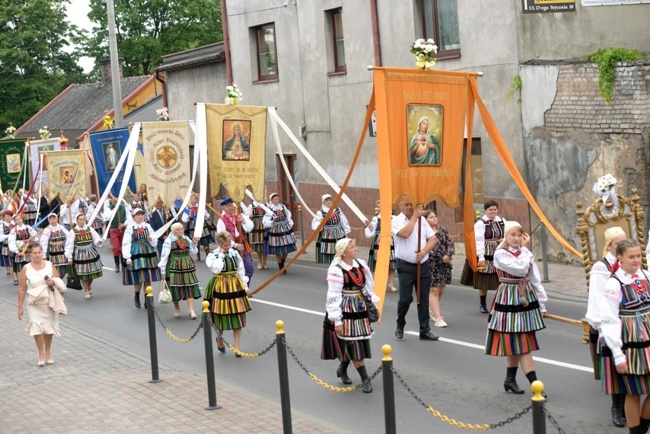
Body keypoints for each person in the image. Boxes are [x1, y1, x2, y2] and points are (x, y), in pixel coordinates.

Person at [486, 221, 547, 395]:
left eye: (519, 235)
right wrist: (526, 250)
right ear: (506, 235)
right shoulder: (500, 254)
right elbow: (520, 269)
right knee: (522, 342)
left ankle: (509, 380)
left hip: (525, 297)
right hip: (508, 298)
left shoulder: (524, 253)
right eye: (512, 234)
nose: (516, 238)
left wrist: (542, 303)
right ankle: (535, 384)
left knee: (517, 340)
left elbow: (534, 278)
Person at [321, 238, 378, 393]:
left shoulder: (360, 264)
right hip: (346, 308)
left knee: (356, 341)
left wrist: (373, 306)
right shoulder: (336, 269)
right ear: (344, 252)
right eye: (352, 247)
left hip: (360, 306)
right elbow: (333, 296)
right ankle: (365, 378)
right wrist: (337, 321)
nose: (356, 249)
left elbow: (369, 287)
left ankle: (342, 369)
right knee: (353, 343)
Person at [585, 227, 627, 428]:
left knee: (630, 362)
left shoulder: (628, 263)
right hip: (610, 319)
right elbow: (597, 297)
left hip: (628, 319)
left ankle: (628, 404)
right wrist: (600, 326)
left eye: (624, 242)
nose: (621, 246)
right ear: (609, 246)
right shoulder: (601, 268)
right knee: (616, 365)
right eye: (617, 243)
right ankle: (616, 407)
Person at [391, 199, 439, 341]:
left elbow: (433, 238)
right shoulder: (396, 220)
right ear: (400, 206)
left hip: (422, 265)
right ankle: (400, 324)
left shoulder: (422, 221)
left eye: (411, 204)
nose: (409, 206)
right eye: (406, 204)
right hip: (405, 266)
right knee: (405, 299)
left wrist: (424, 252)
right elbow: (404, 234)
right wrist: (414, 217)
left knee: (423, 299)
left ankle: (424, 330)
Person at [17, 242, 67, 367]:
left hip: (48, 301)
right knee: (37, 328)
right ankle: (40, 353)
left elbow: (58, 279)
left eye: (39, 252)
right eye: (34, 253)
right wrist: (20, 307)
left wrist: (52, 281)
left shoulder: (49, 265)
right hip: (34, 303)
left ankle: (48, 353)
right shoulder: (26, 269)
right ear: (30, 254)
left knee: (49, 328)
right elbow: (22, 289)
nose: (37, 255)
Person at [205, 231, 252, 355]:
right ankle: (219, 337)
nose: (228, 247)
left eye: (228, 244)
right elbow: (217, 269)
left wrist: (245, 286)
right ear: (220, 244)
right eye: (225, 245)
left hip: (235, 285)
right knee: (221, 315)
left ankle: (236, 345)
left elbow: (241, 270)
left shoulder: (234, 253)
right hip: (221, 286)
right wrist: (221, 255)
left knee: (238, 314)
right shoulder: (212, 255)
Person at [462, 200, 507, 314]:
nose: (493, 211)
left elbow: (508, 233)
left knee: (501, 278)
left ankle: (501, 303)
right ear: (486, 210)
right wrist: (481, 257)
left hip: (500, 251)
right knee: (484, 280)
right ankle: (483, 303)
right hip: (487, 252)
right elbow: (479, 241)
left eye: (495, 209)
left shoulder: (502, 221)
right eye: (490, 209)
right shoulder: (481, 224)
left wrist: (504, 239)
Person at [159, 223, 201, 319]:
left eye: (181, 229)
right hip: (175, 265)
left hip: (187, 265)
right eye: (178, 229)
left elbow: (193, 253)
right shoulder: (169, 241)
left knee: (190, 285)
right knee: (175, 287)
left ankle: (191, 310)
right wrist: (163, 271)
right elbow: (164, 256)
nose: (181, 231)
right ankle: (177, 308)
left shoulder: (186, 239)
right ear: (173, 231)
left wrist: (194, 243)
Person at [122, 208, 161, 309]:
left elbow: (154, 239)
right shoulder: (130, 227)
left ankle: (147, 299)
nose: (140, 217)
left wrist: (151, 239)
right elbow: (126, 242)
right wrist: (127, 257)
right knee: (139, 278)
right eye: (138, 215)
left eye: (142, 215)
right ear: (134, 217)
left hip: (148, 252)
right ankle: (137, 296)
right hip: (136, 252)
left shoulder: (147, 226)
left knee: (148, 277)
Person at [424, 210, 454, 328]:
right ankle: (438, 318)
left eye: (435, 216)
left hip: (444, 264)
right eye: (431, 217)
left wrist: (448, 255)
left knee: (441, 289)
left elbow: (450, 244)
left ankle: (432, 309)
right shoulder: (424, 232)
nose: (434, 218)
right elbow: (424, 247)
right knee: (434, 290)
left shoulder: (442, 230)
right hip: (431, 264)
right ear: (425, 220)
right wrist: (439, 256)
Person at [65, 213, 103, 299]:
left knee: (92, 272)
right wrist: (69, 257)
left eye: (83, 220)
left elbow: (96, 238)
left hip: (90, 252)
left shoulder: (90, 229)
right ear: (77, 221)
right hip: (79, 253)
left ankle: (89, 285)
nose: (82, 221)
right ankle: (86, 290)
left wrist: (98, 242)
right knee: (82, 273)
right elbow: (69, 245)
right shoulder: (73, 231)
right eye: (80, 220)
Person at [217, 197, 254, 284]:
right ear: (224, 208)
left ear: (234, 206)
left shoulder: (241, 215)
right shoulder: (221, 221)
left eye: (230, 205)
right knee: (234, 269)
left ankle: (246, 288)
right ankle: (237, 289)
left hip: (243, 244)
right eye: (227, 206)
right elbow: (221, 237)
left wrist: (243, 221)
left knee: (248, 268)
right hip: (230, 247)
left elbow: (249, 228)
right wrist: (235, 245)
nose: (229, 208)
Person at [364, 200, 397, 292]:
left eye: (380, 206)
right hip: (379, 241)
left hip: (390, 241)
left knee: (391, 263)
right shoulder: (376, 218)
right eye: (378, 206)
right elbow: (370, 234)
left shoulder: (394, 218)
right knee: (378, 262)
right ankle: (378, 283)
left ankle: (390, 284)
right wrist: (370, 228)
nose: (378, 208)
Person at [312, 194, 351, 264]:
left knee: (340, 250)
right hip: (327, 235)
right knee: (330, 251)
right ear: (324, 202)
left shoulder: (337, 210)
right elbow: (314, 225)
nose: (329, 202)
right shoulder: (320, 212)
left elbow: (343, 221)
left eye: (330, 200)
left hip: (339, 233)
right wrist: (321, 223)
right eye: (327, 201)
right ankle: (332, 267)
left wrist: (346, 232)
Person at [263, 193, 296, 274]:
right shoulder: (269, 210)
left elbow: (288, 216)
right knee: (277, 249)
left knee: (287, 247)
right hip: (275, 230)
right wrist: (272, 221)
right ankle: (281, 266)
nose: (277, 200)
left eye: (278, 198)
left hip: (285, 228)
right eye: (275, 199)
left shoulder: (283, 207)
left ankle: (282, 261)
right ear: (271, 200)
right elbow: (265, 222)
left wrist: (290, 224)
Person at [182, 194, 214, 261]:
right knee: (195, 241)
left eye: (193, 199)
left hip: (201, 225)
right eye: (190, 199)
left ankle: (208, 255)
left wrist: (202, 214)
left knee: (205, 241)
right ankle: (198, 256)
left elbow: (207, 216)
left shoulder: (200, 207)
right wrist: (189, 216)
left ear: (196, 200)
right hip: (192, 226)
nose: (191, 201)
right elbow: (184, 219)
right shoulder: (188, 208)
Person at [39, 213, 70, 279]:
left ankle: (59, 280)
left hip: (63, 252)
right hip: (53, 252)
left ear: (57, 219)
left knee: (63, 270)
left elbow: (69, 237)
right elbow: (43, 242)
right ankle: (58, 282)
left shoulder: (62, 228)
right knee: (55, 269)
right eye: (50, 219)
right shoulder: (47, 230)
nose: (52, 220)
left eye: (54, 218)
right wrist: (44, 255)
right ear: (48, 221)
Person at [103, 197, 129, 272]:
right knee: (116, 247)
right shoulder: (108, 208)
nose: (116, 202)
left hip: (123, 229)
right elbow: (108, 217)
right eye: (114, 201)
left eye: (117, 201)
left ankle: (123, 263)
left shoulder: (124, 208)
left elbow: (129, 218)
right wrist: (115, 208)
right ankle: (117, 265)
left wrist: (124, 224)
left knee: (123, 246)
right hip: (114, 229)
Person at [9, 214, 37, 284]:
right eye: (16, 220)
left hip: (29, 250)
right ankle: (24, 282)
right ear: (15, 221)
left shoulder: (28, 227)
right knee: (23, 267)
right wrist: (16, 251)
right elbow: (11, 241)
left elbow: (35, 235)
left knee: (31, 266)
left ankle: (30, 281)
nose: (18, 221)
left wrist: (32, 238)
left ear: (22, 219)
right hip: (21, 251)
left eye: (19, 219)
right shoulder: (14, 230)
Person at [248, 199, 268, 269]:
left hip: (264, 225)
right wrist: (250, 215)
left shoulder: (266, 205)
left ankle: (264, 262)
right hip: (256, 226)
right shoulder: (252, 205)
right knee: (258, 244)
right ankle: (260, 261)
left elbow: (269, 214)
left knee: (265, 244)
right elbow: (247, 216)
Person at [0, 210, 15, 277]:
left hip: (14, 244)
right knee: (7, 257)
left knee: (13, 257)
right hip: (6, 244)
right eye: (6, 217)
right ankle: (8, 268)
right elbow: (1, 237)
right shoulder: (1, 226)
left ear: (11, 217)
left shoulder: (14, 224)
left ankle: (13, 269)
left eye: (9, 216)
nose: (7, 218)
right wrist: (8, 236)